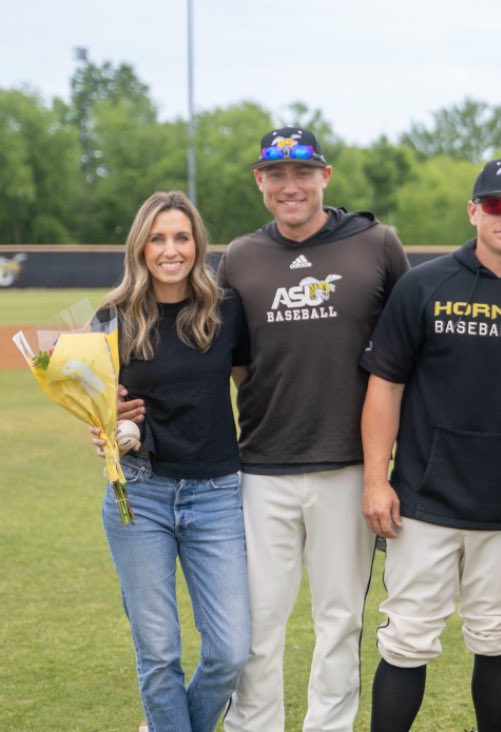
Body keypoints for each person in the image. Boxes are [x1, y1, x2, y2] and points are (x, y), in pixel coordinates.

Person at [116, 127, 410, 731]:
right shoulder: (242, 257)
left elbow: (408, 352)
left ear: (324, 176)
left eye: (302, 172)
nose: (290, 185)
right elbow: (202, 353)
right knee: (255, 629)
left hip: (349, 467)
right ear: (260, 182)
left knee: (339, 621)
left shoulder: (377, 243)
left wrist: (387, 469)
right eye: (276, 175)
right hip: (256, 470)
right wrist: (116, 399)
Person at [360, 158, 501, 732]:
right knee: (405, 640)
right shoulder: (423, 285)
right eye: (495, 205)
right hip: (424, 501)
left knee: (496, 637)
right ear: (474, 210)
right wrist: (376, 481)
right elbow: (385, 386)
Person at [97, 191, 251, 731]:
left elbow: (252, 389)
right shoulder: (110, 317)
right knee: (159, 654)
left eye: (181, 237)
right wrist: (105, 424)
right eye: (157, 238)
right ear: (140, 246)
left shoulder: (226, 311)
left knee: (231, 651)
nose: (170, 249)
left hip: (216, 496)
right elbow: (93, 408)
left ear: (197, 244)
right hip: (139, 494)